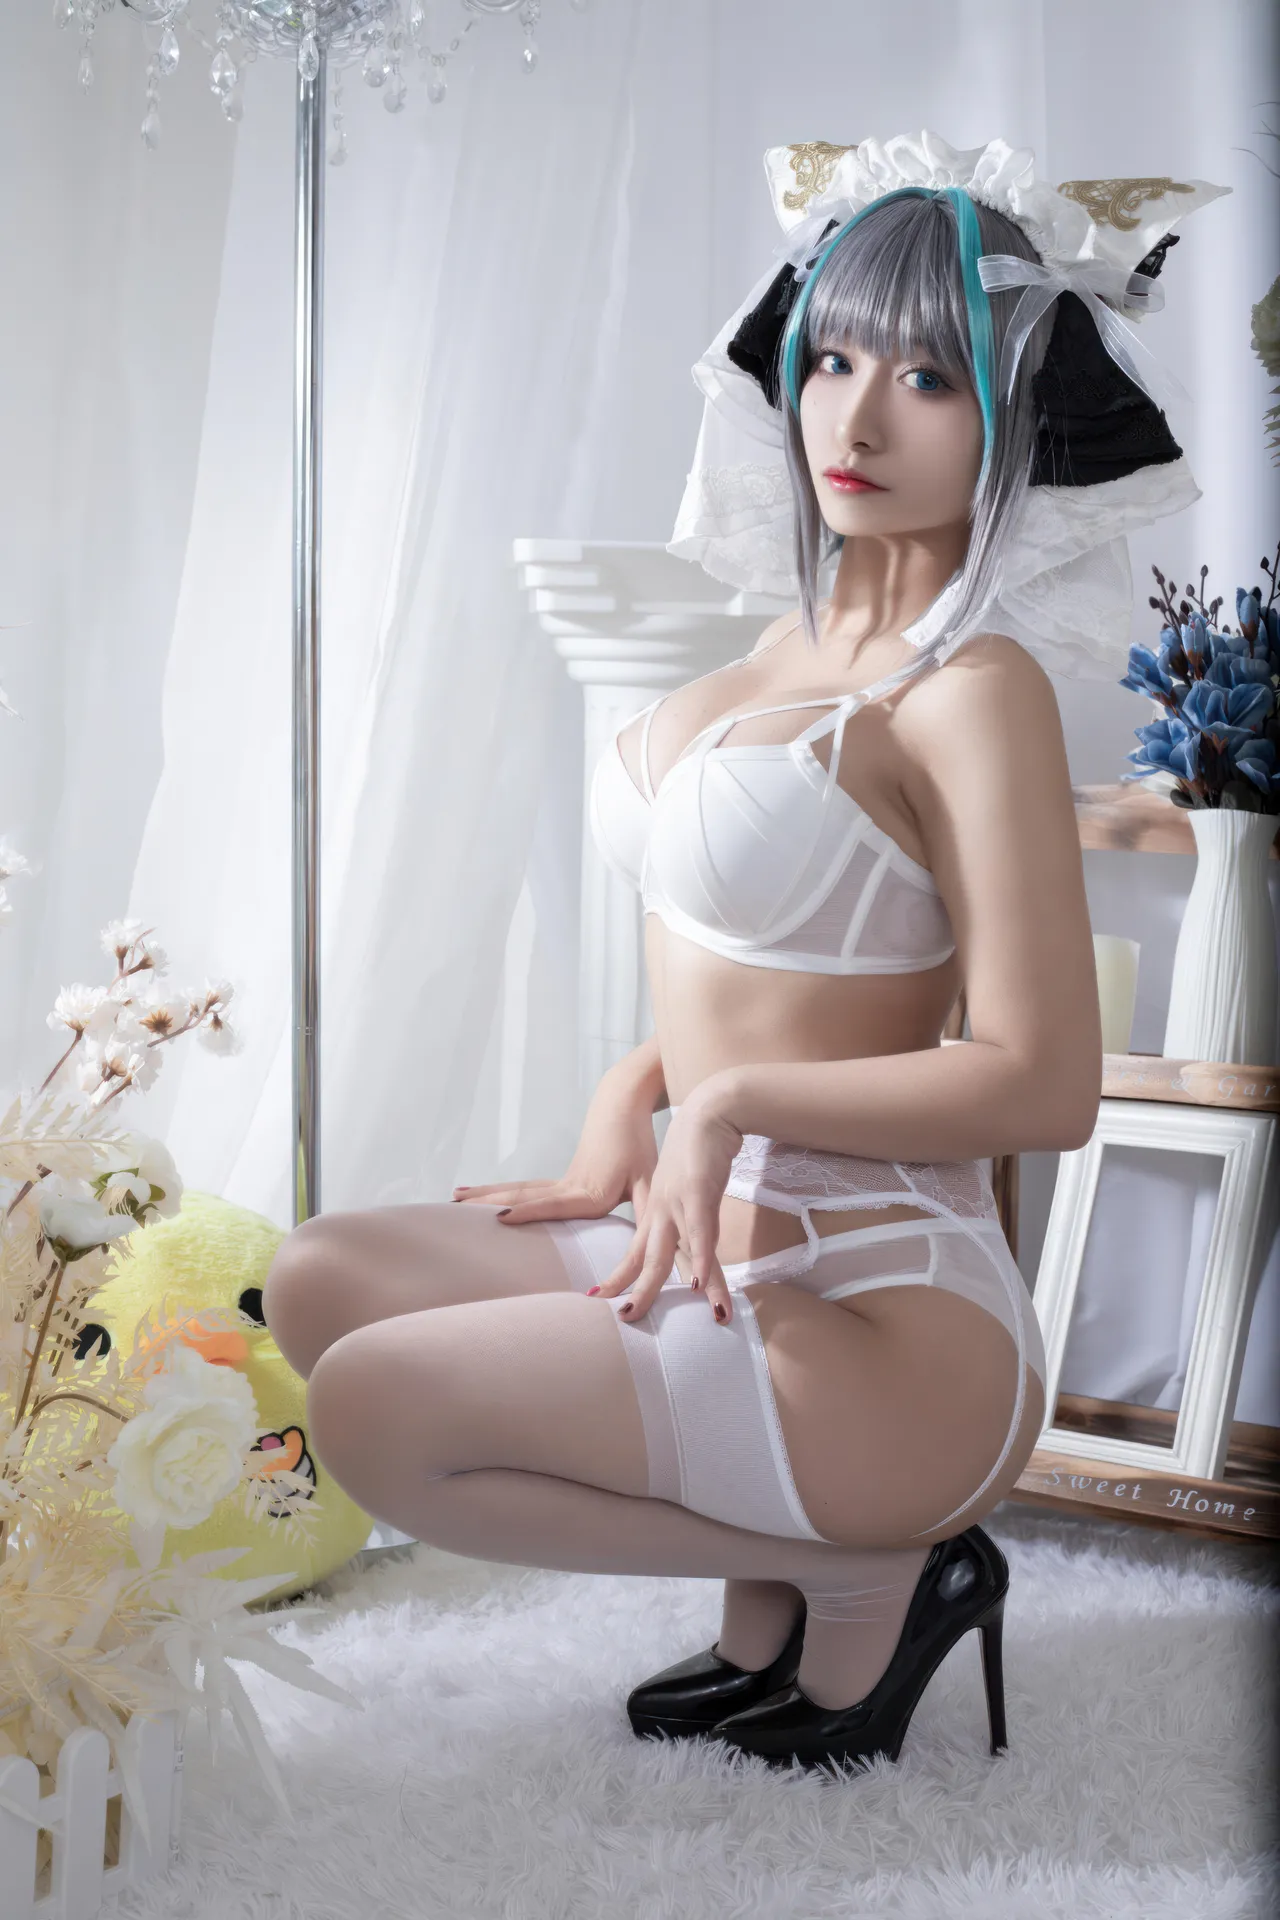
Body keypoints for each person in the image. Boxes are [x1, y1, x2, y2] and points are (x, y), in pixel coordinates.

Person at [262, 132, 1227, 1773]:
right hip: (711, 1235)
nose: (856, 419)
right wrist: (630, 1100)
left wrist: (722, 1108)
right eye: (832, 359)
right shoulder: (787, 639)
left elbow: (1044, 1083)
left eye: (928, 378)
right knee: (322, 1280)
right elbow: (789, 965)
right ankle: (778, 1592)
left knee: (375, 1414)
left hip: (880, 1310)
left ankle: (869, 1571)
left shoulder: (972, 687)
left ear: (1018, 416)